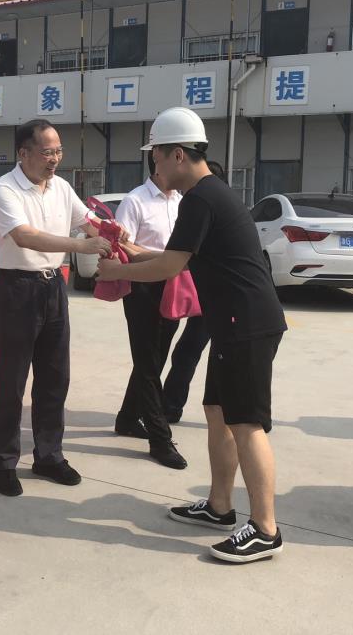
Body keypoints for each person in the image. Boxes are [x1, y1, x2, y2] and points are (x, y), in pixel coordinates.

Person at [98, 107, 288, 563]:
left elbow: (169, 266)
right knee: (217, 412)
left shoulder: (201, 198)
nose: (155, 166)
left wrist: (116, 271)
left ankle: (266, 529)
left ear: (178, 154)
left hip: (246, 325)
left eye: (157, 157)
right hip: (234, 323)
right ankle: (220, 506)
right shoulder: (207, 194)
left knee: (247, 423)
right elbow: (173, 254)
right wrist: (128, 250)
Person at [0, 118, 112, 497]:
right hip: (15, 289)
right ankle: (3, 464)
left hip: (53, 287)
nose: (54, 159)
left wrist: (111, 234)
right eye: (47, 152)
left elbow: (86, 221)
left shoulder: (61, 187)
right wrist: (80, 246)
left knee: (55, 378)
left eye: (58, 151)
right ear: (23, 153)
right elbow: (24, 236)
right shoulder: (5, 189)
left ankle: (48, 455)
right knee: (11, 382)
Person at [111, 151, 186, 469]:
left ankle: (128, 418)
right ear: (159, 164)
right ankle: (160, 438)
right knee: (147, 362)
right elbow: (121, 246)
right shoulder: (135, 201)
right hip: (142, 287)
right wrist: (160, 259)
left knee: (155, 358)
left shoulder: (181, 200)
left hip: (173, 284)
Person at [161, 160, 226, 423]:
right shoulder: (218, 205)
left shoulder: (203, 207)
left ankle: (171, 407)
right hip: (208, 297)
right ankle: (170, 407)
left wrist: (124, 268)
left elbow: (173, 261)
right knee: (188, 351)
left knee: (195, 352)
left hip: (223, 302)